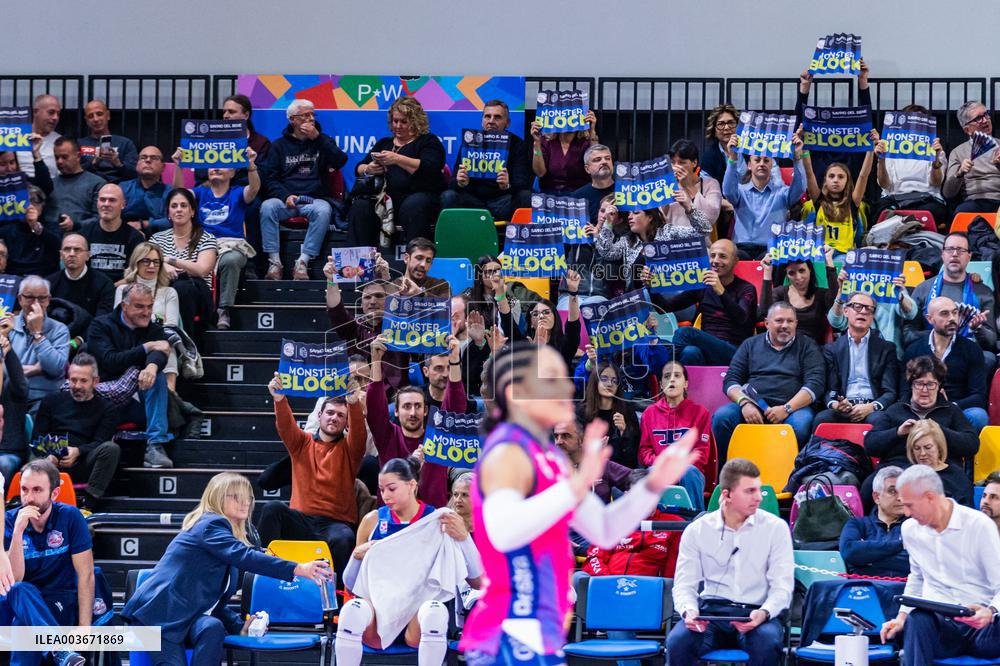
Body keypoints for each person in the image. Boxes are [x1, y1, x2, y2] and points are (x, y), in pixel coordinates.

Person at [459, 341, 698, 664]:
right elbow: (505, 533)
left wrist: (651, 486)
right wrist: (574, 486)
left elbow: (604, 530)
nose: (564, 388)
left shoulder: (548, 460)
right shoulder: (505, 453)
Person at [121, 472, 333, 666]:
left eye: (248, 497)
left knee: (212, 627)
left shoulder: (224, 538)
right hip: (159, 618)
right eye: (236, 496)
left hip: (185, 618)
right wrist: (298, 568)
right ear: (217, 498)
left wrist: (239, 626)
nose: (245, 502)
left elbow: (214, 602)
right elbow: (245, 557)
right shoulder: (210, 524)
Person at [335, 457, 483, 666]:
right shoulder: (372, 521)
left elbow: (478, 581)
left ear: (412, 485)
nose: (385, 496)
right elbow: (351, 585)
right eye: (382, 489)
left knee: (435, 612)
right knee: (352, 611)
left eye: (392, 488)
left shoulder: (438, 521)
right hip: (377, 617)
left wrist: (464, 538)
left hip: (418, 620)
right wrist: (356, 556)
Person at [666, 459, 793, 666]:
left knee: (767, 642)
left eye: (758, 489)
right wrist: (689, 611)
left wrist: (764, 612)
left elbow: (783, 587)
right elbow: (684, 584)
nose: (759, 497)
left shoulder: (776, 528)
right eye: (750, 491)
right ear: (727, 495)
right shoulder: (697, 530)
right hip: (711, 613)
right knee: (678, 641)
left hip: (758, 613)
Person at [879, 465, 1000, 664]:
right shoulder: (910, 529)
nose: (906, 513)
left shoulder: (978, 525)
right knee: (917, 619)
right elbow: (917, 578)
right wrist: (901, 618)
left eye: (910, 505)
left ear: (930, 497)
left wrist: (991, 612)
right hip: (942, 626)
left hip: (983, 625)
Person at [257, 372, 366, 577]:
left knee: (344, 538)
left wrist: (353, 404)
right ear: (319, 415)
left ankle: (338, 592)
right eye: (330, 412)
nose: (334, 418)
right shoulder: (302, 443)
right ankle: (261, 575)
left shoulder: (351, 450)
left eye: (340, 415)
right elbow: (285, 426)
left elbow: (360, 435)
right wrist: (279, 399)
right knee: (272, 509)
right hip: (300, 521)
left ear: (346, 422)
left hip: (335, 524)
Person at [368, 334, 468, 507]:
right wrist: (376, 361)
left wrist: (454, 361)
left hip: (432, 516)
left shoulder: (438, 436)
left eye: (418, 406)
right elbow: (374, 406)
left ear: (426, 410)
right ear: (396, 411)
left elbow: (456, 405)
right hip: (392, 515)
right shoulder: (388, 435)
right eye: (407, 406)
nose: (413, 412)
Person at [714, 301, 825, 456]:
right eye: (779, 320)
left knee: (802, 424)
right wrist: (744, 403)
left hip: (793, 408)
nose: (785, 325)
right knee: (722, 417)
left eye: (790, 321)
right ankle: (725, 469)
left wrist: (786, 409)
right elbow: (731, 379)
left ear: (796, 324)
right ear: (766, 323)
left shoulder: (807, 345)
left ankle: (792, 470)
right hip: (752, 405)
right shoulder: (750, 344)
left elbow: (815, 384)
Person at [863, 356, 979, 501]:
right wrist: (898, 432)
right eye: (919, 384)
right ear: (911, 385)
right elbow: (870, 444)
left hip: (941, 470)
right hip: (900, 469)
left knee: (962, 485)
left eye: (930, 384)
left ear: (939, 386)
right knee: (869, 485)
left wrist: (938, 431)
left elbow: (971, 444)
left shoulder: (951, 411)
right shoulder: (896, 410)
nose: (925, 390)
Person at [87, 283, 174, 468]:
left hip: (136, 401)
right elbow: (110, 360)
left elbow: (159, 354)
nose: (146, 312)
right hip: (104, 398)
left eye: (149, 306)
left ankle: (155, 446)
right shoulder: (100, 325)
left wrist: (151, 366)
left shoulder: (154, 329)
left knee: (157, 376)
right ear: (124, 306)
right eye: (139, 306)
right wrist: (147, 347)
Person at [172, 147, 260, 329]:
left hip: (232, 246)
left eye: (222, 165)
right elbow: (179, 193)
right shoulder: (200, 193)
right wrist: (179, 166)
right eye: (212, 165)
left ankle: (224, 309)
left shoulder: (237, 193)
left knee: (231, 260)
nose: (216, 168)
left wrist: (251, 165)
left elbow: (254, 189)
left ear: (232, 173)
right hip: (203, 245)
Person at [260, 99, 348, 280]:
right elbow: (271, 180)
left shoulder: (323, 141)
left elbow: (340, 161)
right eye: (305, 115)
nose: (311, 119)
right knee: (267, 207)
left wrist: (317, 138)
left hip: (314, 199)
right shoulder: (278, 146)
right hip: (287, 200)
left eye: (313, 115)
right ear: (292, 119)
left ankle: (302, 262)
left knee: (324, 210)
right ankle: (274, 262)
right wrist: (285, 196)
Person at [6, 460, 95, 627]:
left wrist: (84, 629)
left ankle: (53, 642)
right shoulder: (9, 521)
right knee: (19, 590)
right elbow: (14, 579)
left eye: (37, 490)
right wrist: (18, 532)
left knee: (20, 626)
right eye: (24, 489)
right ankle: (56, 644)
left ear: (54, 494)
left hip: (58, 599)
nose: (29, 498)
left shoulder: (70, 517)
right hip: (20, 600)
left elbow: (86, 574)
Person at [348, 96, 446, 246]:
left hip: (419, 196)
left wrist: (397, 159)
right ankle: (360, 258)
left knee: (414, 205)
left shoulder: (428, 141)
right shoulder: (384, 143)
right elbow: (359, 168)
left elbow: (431, 169)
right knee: (360, 206)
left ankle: (416, 256)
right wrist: (369, 168)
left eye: (404, 122)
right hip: (385, 199)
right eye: (395, 121)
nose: (398, 126)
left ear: (415, 121)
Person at [650, 239, 758, 366]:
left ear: (735, 261)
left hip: (735, 352)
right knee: (690, 352)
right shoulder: (703, 287)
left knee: (685, 332)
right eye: (712, 256)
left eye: (723, 256)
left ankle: (665, 370)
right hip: (706, 348)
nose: (715, 261)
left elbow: (741, 318)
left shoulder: (747, 289)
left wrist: (721, 291)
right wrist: (651, 286)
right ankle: (676, 374)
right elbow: (664, 308)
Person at [33, 352, 120, 509]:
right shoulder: (51, 401)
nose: (77, 386)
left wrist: (78, 451)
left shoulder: (107, 408)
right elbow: (37, 437)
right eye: (73, 380)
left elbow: (100, 441)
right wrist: (49, 455)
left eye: (83, 381)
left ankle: (88, 505)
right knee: (37, 461)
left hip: (84, 461)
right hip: (52, 460)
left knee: (111, 449)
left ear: (95, 382)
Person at [904, 232, 996, 367]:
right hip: (930, 355)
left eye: (960, 250)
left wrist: (979, 329)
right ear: (942, 254)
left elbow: (991, 342)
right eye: (950, 249)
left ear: (969, 256)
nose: (954, 254)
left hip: (967, 356)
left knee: (988, 358)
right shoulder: (923, 289)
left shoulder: (983, 292)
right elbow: (907, 334)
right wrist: (938, 335)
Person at [813, 291, 900, 428]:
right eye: (857, 306)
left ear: (872, 316)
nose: (863, 312)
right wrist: (836, 405)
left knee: (879, 421)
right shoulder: (832, 350)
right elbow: (830, 389)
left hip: (872, 407)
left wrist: (871, 407)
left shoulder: (886, 348)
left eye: (869, 309)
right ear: (846, 311)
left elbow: (890, 391)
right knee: (822, 419)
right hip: (844, 405)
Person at [903, 296, 989, 432]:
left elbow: (979, 395)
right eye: (944, 313)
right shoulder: (914, 349)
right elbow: (904, 391)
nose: (952, 318)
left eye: (955, 313)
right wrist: (924, 404)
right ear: (930, 319)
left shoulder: (972, 349)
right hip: (921, 408)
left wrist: (950, 405)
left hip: (956, 408)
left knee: (978, 415)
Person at [638, 361, 714, 510]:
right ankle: (655, 522)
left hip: (689, 470)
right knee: (650, 473)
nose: (671, 380)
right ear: (661, 385)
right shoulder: (649, 414)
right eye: (667, 376)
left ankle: (695, 518)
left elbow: (701, 453)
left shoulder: (701, 413)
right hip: (659, 468)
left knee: (688, 472)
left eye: (677, 376)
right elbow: (644, 451)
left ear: (686, 384)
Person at [441, 99, 531, 220]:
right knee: (448, 196)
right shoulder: (470, 142)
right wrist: (460, 183)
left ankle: (518, 233)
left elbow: (523, 183)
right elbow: (452, 183)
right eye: (487, 116)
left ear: (507, 123)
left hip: (502, 201)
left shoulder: (517, 144)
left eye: (497, 117)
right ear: (482, 120)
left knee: (526, 196)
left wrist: (507, 185)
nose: (491, 121)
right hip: (473, 201)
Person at [722, 131, 806, 259]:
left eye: (766, 160)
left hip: (772, 249)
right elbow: (727, 191)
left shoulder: (782, 192)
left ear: (772, 165)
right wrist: (732, 158)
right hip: (741, 248)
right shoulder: (740, 191)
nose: (761, 163)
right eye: (757, 160)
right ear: (749, 165)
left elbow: (800, 188)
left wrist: (797, 158)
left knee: (773, 257)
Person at [150, 188, 218, 335]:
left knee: (181, 288)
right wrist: (163, 266)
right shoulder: (157, 238)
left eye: (184, 205)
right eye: (174, 206)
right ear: (168, 213)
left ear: (192, 211)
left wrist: (168, 260)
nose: (179, 210)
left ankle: (183, 338)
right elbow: (148, 263)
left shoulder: (206, 238)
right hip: (164, 290)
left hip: (198, 295)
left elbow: (202, 270)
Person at [114, 243, 181, 390]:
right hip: (129, 340)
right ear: (136, 262)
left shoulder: (169, 292)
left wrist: (141, 320)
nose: (151, 266)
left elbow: (171, 326)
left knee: (166, 345)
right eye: (146, 261)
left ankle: (170, 393)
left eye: (156, 262)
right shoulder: (122, 290)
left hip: (159, 339)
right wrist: (156, 319)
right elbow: (119, 321)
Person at [597, 205, 710, 290]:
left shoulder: (668, 232)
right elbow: (606, 252)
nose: (630, 217)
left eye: (635, 213)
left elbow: (704, 231)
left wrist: (689, 207)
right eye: (629, 214)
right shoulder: (627, 241)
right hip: (638, 298)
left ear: (650, 217)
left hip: (669, 294)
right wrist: (608, 223)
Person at [873, 104, 948, 226]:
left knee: (936, 211)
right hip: (894, 199)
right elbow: (884, 184)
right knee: (879, 210)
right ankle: (909, 223)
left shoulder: (935, 149)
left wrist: (935, 161)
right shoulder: (890, 148)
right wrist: (881, 159)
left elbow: (936, 183)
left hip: (926, 200)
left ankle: (902, 223)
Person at [8, 276, 70, 411]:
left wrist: (37, 333)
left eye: (42, 298)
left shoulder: (60, 329)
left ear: (48, 300)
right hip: (10, 396)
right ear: (20, 299)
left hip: (44, 398)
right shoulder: (8, 325)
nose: (35, 303)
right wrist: (36, 369)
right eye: (30, 297)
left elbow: (55, 369)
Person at [839, 465, 909, 578]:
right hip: (864, 587)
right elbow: (849, 552)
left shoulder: (916, 525)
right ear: (876, 497)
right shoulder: (857, 524)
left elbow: (917, 561)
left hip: (905, 587)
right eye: (892, 491)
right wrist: (901, 545)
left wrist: (866, 559)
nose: (900, 498)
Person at [830, 269, 916, 360]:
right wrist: (840, 293)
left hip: (889, 355)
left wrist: (900, 295)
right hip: (854, 354)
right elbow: (836, 322)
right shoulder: (852, 280)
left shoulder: (892, 280)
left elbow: (911, 313)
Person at [759, 247, 838, 343]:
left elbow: (836, 303)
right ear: (787, 275)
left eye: (801, 270)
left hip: (812, 348)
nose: (798, 277)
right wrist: (767, 271)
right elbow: (765, 312)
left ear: (810, 270)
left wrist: (829, 262)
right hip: (785, 345)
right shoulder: (780, 293)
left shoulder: (821, 294)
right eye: (792, 273)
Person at [578, 360, 641, 468]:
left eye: (614, 380)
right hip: (590, 471)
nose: (609, 384)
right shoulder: (581, 412)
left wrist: (624, 432)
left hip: (621, 472)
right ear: (595, 381)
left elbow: (633, 459)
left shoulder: (627, 411)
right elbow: (574, 452)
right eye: (604, 379)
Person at [942, 100, 1000, 215]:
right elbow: (948, 193)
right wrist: (960, 173)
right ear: (967, 130)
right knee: (962, 212)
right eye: (978, 118)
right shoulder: (958, 152)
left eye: (986, 114)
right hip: (975, 201)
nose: (985, 120)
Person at [81, 183, 146, 283]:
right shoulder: (83, 234)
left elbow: (138, 272)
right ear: (97, 203)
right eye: (102, 199)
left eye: (112, 200)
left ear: (123, 204)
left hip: (122, 288)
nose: (106, 204)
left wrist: (113, 288)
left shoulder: (135, 237)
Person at [46, 233, 116, 321]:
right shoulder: (49, 283)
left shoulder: (104, 284)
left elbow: (102, 320)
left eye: (77, 250)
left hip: (92, 328)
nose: (72, 254)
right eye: (67, 249)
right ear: (61, 255)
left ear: (88, 255)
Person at [906, 420, 973, 506]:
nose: (922, 453)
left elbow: (966, 510)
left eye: (928, 447)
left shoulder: (957, 476)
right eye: (917, 448)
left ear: (939, 447)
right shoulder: (907, 476)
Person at [44, 137, 105, 232]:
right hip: (51, 235)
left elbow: (101, 218)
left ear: (78, 156)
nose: (59, 161)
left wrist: (76, 225)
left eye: (64, 157)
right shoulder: (50, 184)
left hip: (82, 235)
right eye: (57, 157)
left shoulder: (97, 183)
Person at [531, 109, 598, 194]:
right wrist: (537, 143)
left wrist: (592, 131)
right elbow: (540, 173)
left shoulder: (585, 142)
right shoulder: (546, 141)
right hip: (550, 193)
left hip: (579, 193)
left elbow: (596, 168)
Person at [0, 185, 61, 276]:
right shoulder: (5, 231)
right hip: (13, 279)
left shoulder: (53, 228)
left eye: (34, 201)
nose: (28, 207)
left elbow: (58, 246)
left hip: (45, 278)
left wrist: (35, 226)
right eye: (23, 202)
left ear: (42, 206)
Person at [78, 100, 138, 183]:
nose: (95, 119)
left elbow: (135, 173)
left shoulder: (125, 143)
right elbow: (73, 172)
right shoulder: (79, 144)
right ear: (86, 120)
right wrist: (93, 163)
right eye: (90, 116)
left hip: (118, 187)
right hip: (88, 186)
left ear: (108, 115)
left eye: (99, 114)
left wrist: (118, 164)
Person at [521, 287, 581, 369]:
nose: (541, 316)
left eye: (546, 312)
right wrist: (535, 350)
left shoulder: (565, 343)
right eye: (535, 314)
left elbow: (573, 324)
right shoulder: (524, 344)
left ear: (555, 317)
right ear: (531, 323)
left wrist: (573, 292)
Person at [0, 319, 30, 483]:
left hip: (8, 452)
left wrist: (8, 350)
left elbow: (20, 381)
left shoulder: (13, 387)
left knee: (3, 464)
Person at [120, 146, 170, 232]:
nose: (148, 160)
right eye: (143, 157)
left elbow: (173, 220)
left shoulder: (169, 192)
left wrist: (145, 224)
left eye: (154, 158)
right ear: (137, 164)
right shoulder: (122, 188)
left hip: (159, 236)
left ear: (163, 167)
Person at [16, 94, 61, 177]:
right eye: (51, 112)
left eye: (58, 114)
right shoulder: (13, 136)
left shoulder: (60, 141)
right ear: (35, 112)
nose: (56, 117)